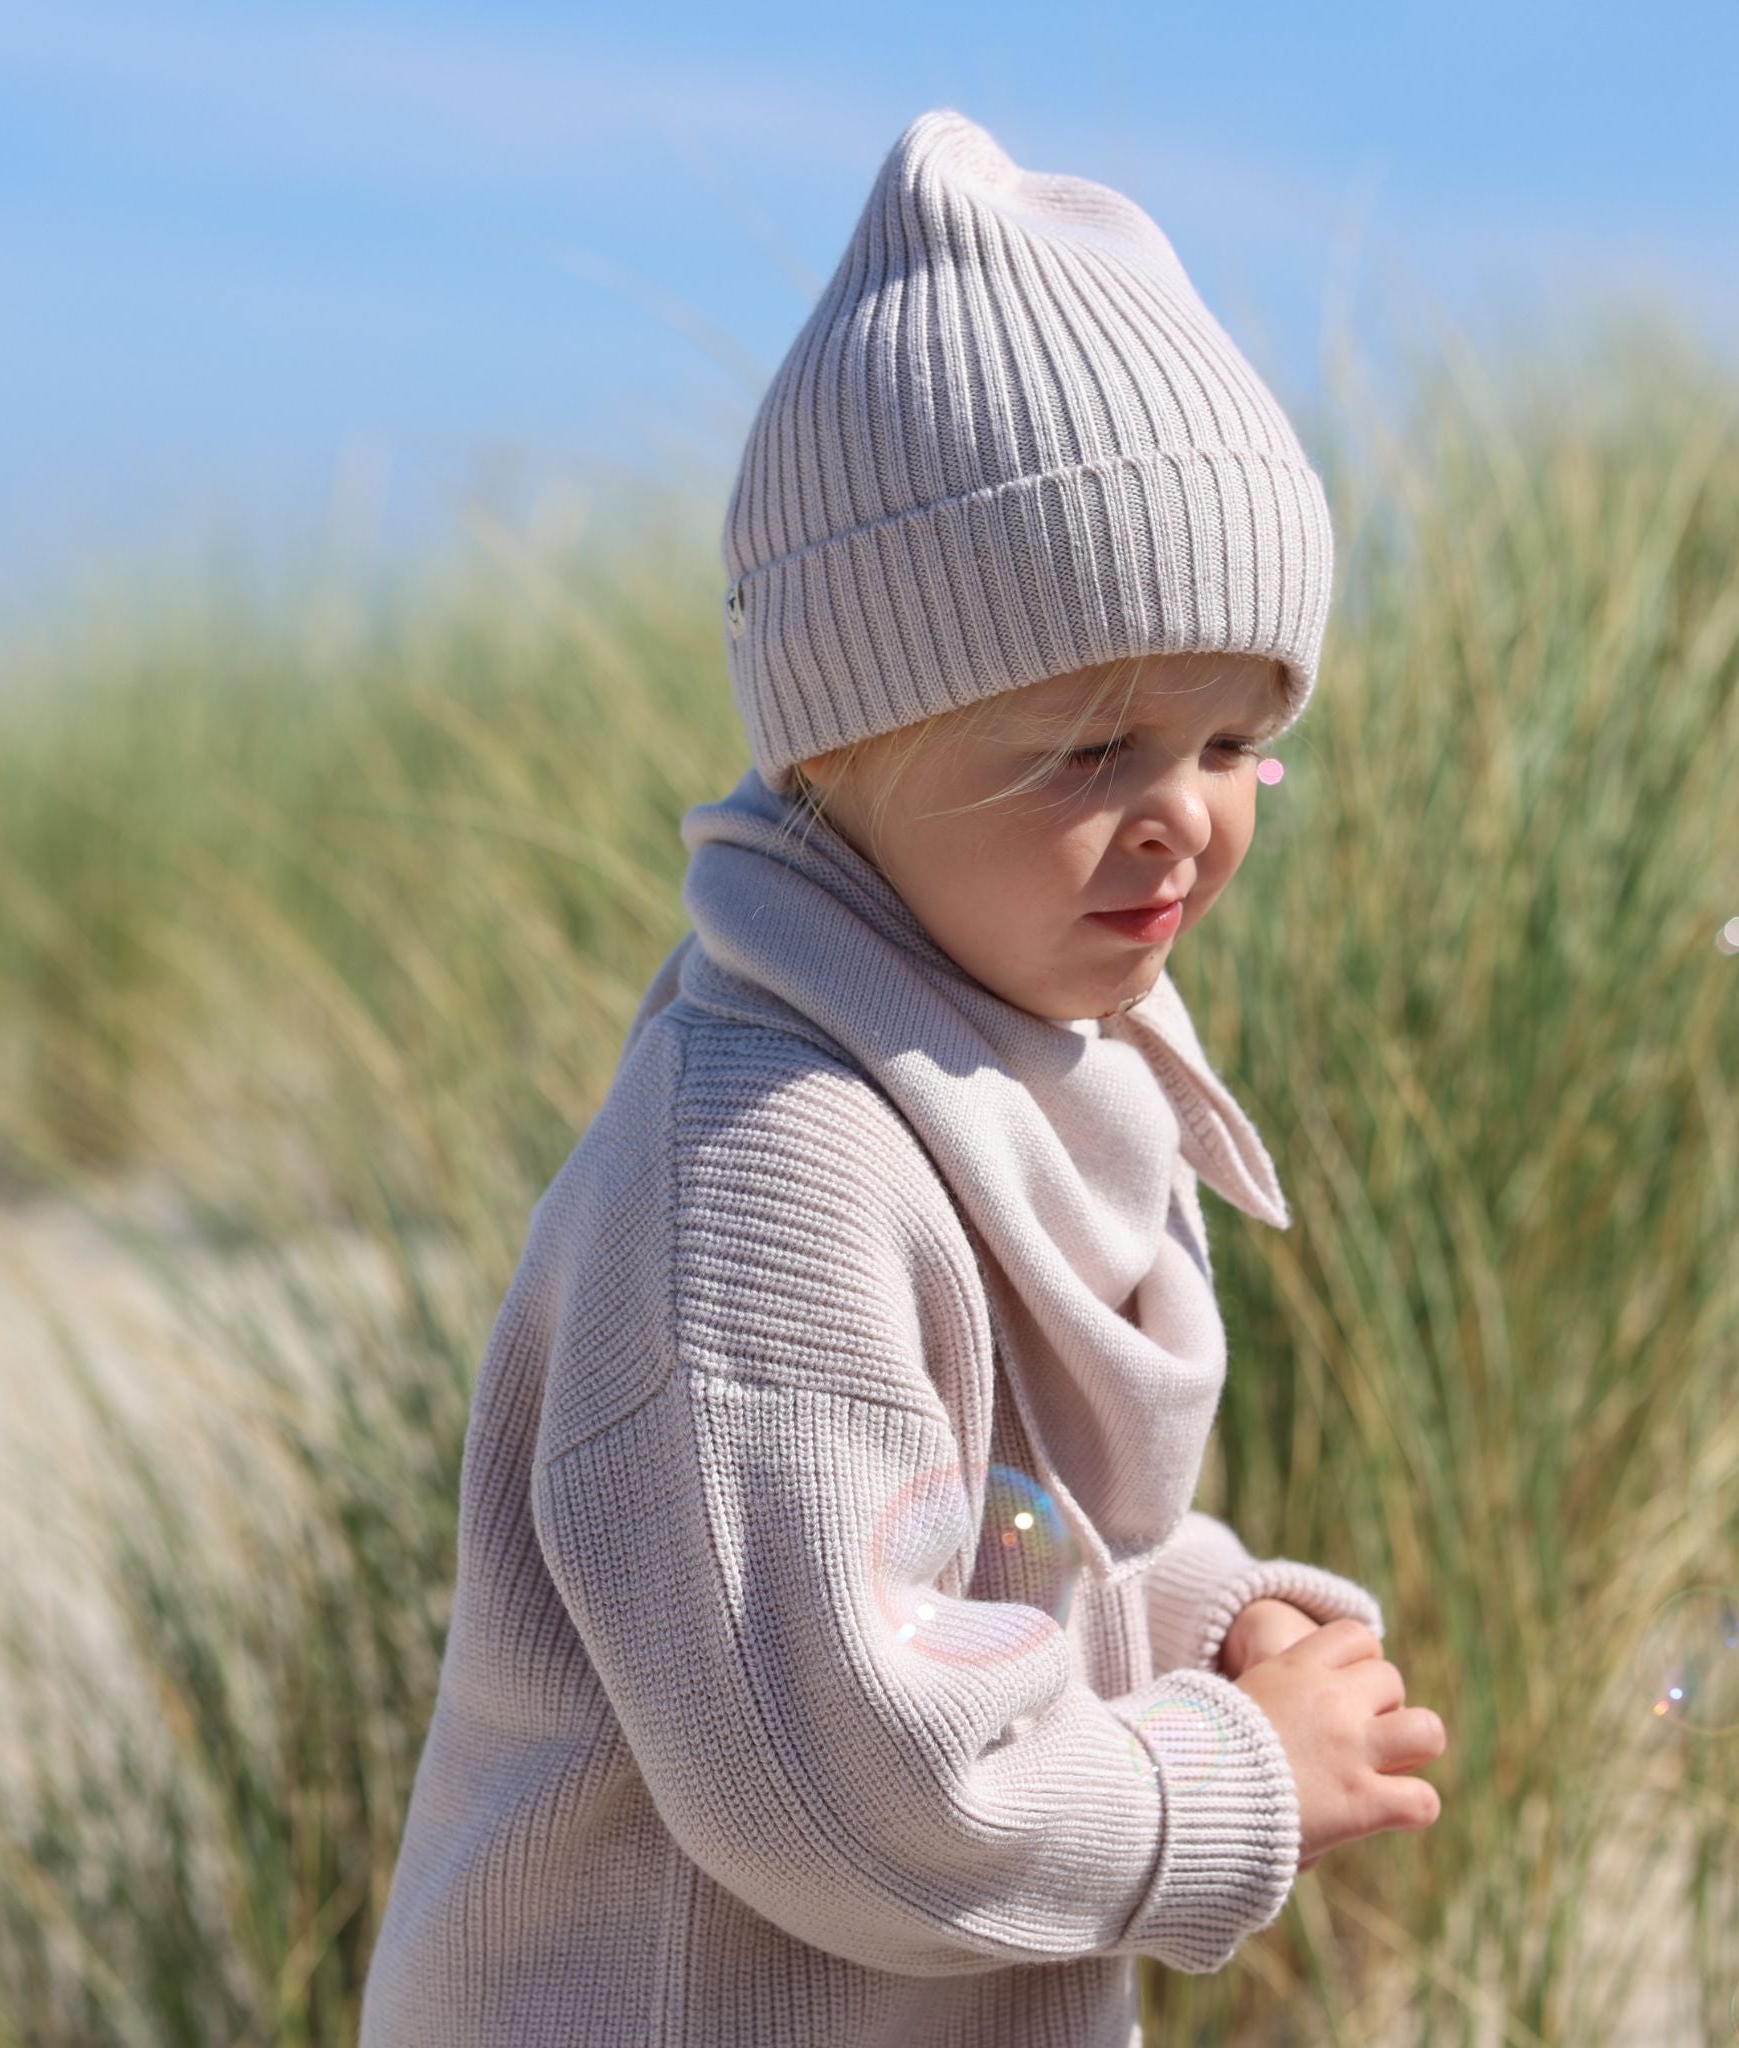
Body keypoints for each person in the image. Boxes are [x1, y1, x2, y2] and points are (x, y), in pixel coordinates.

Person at [356, 106, 1447, 2048]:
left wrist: (1198, 1621)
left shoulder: (1041, 1062)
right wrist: (1227, 1774)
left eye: (1227, 737)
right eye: (1090, 747)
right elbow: (850, 1779)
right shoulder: (769, 1168)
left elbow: (978, 1554)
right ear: (838, 748)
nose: (1178, 819)